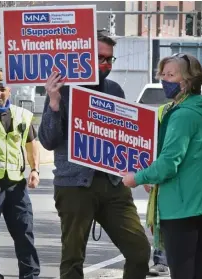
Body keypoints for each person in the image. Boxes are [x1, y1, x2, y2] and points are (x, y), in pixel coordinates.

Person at [38, 31, 150, 278]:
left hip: (113, 185)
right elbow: (47, 141)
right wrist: (54, 102)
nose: (106, 64)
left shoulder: (114, 90)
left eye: (110, 59)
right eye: (100, 58)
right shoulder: (63, 89)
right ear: (85, 58)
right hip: (75, 185)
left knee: (140, 251)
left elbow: (126, 138)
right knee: (72, 260)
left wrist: (143, 170)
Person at [120, 53, 202, 279]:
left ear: (188, 80)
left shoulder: (182, 115)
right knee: (199, 270)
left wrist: (137, 177)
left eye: (171, 74)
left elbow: (169, 163)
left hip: (184, 205)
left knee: (182, 272)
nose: (164, 79)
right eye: (162, 74)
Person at [0, 70, 41, 279]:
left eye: (3, 88)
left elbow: (32, 144)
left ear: (10, 89)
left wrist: (35, 170)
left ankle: (30, 276)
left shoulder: (22, 115)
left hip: (16, 185)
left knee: (24, 232)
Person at [145, 102, 172, 277]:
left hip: (183, 176)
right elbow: (149, 143)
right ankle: (160, 261)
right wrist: (146, 175)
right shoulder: (162, 111)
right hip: (160, 173)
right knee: (157, 220)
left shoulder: (195, 110)